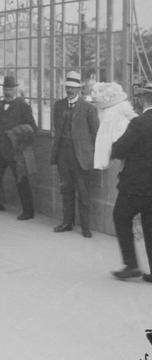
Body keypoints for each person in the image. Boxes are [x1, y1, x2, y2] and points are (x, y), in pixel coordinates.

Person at [110, 83, 152, 282]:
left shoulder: (139, 123)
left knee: (120, 216)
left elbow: (119, 149)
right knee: (150, 225)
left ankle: (131, 265)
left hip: (135, 185)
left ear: (144, 98)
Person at [50, 71, 99, 238]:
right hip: (63, 154)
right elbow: (56, 129)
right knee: (66, 190)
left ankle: (85, 227)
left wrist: (91, 156)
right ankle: (67, 223)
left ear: (79, 89)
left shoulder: (88, 108)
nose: (69, 90)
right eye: (67, 87)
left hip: (82, 157)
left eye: (73, 88)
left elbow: (95, 135)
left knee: (83, 192)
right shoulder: (58, 105)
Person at [0, 75, 36, 220]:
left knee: (21, 180)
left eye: (11, 89)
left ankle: (28, 212)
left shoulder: (23, 106)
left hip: (14, 150)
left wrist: (16, 134)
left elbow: (32, 128)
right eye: (6, 88)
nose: (8, 91)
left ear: (16, 89)